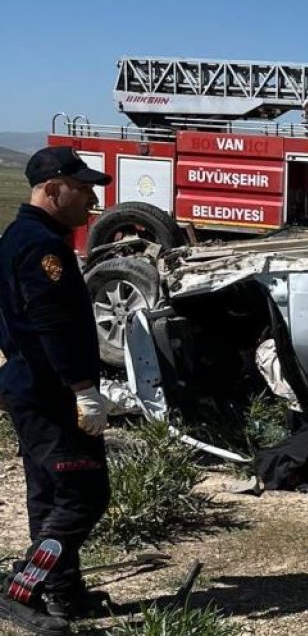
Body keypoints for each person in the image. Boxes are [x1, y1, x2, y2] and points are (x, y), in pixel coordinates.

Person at [0, 147, 115, 633]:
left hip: (30, 386)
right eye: (83, 188)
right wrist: (84, 390)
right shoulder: (43, 248)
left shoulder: (19, 236)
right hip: (53, 393)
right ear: (52, 189)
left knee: (50, 494)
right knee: (82, 496)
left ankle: (61, 591)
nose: (91, 198)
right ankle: (20, 590)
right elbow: (54, 324)